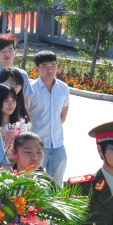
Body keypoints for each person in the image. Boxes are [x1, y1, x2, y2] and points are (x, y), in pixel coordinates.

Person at [28, 50, 71, 183]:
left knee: (56, 184)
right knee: (34, 183)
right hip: (37, 146)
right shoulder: (31, 89)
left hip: (58, 145)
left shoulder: (63, 88)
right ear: (37, 68)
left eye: (53, 66)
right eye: (45, 66)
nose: (50, 70)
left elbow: (63, 116)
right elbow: (26, 115)